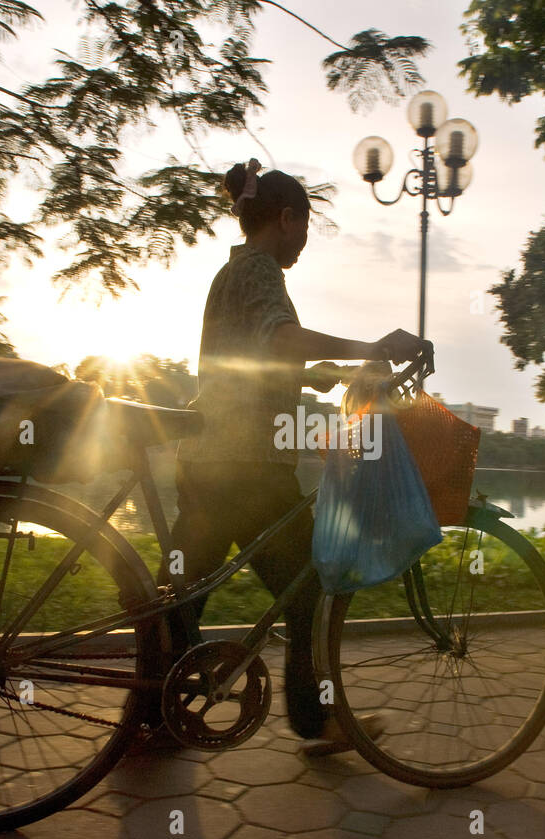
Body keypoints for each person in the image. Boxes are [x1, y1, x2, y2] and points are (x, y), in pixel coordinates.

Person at [156, 158, 426, 753]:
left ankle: (150, 718)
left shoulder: (235, 271)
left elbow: (259, 359)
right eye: (304, 228)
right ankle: (313, 720)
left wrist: (327, 371)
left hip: (207, 459)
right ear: (286, 219)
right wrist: (368, 346)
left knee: (178, 593)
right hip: (248, 466)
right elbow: (279, 338)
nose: (304, 242)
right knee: (308, 587)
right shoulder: (259, 271)